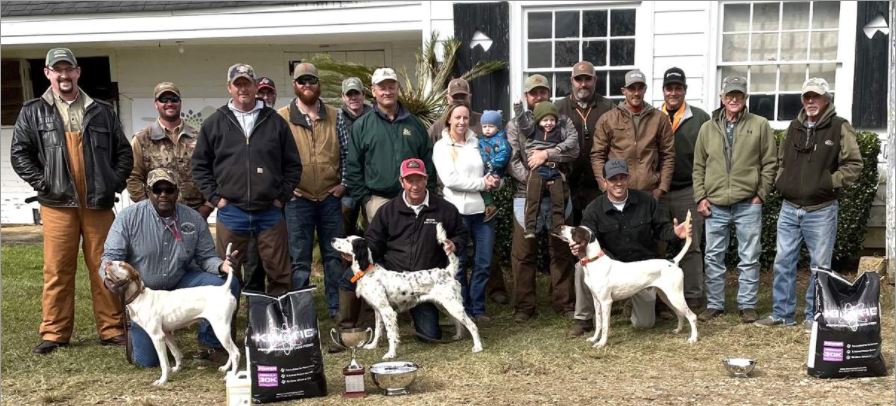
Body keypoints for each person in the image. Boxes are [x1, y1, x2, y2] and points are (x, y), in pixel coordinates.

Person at [11, 47, 133, 354]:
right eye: (57, 70)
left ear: (78, 72)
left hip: (97, 205)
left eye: (69, 69)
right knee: (57, 270)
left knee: (105, 267)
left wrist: (112, 184)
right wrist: (44, 183)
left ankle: (113, 328)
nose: (64, 76)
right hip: (57, 205)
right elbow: (19, 154)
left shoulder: (101, 109)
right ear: (48, 74)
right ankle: (54, 333)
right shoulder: (33, 110)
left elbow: (123, 153)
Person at [101, 169, 241, 366]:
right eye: (157, 190)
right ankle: (140, 331)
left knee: (225, 283)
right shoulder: (127, 218)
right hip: (145, 295)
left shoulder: (193, 219)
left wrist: (221, 266)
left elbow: (206, 257)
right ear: (147, 191)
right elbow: (110, 258)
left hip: (181, 282)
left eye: (169, 189)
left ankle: (211, 344)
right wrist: (109, 279)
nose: (163, 195)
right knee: (146, 362)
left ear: (178, 192)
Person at [754, 78, 863, 330]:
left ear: (827, 99)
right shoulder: (794, 126)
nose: (811, 101)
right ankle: (782, 314)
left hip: (821, 210)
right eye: (807, 97)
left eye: (816, 96)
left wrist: (828, 181)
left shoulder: (839, 127)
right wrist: (782, 180)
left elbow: (854, 165)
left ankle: (814, 316)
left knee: (820, 266)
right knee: (782, 262)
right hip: (790, 207)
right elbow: (781, 161)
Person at [191, 63, 302, 296]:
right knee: (226, 272)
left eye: (247, 84)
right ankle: (224, 330)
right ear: (229, 88)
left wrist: (281, 197)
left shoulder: (274, 121)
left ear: (254, 87)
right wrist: (215, 198)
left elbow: (293, 165)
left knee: (279, 273)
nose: (243, 89)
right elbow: (200, 166)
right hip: (232, 212)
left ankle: (277, 326)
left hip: (269, 212)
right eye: (237, 84)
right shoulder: (215, 123)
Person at [568, 160, 691, 330]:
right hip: (611, 266)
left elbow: (662, 229)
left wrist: (676, 233)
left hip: (641, 269)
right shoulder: (593, 209)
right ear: (604, 182)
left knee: (644, 324)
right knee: (581, 268)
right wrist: (579, 249)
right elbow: (586, 241)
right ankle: (583, 319)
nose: (618, 183)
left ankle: (630, 301)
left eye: (622, 178)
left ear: (628, 179)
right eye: (613, 179)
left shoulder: (647, 201)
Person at [693, 75, 777, 324]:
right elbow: (698, 166)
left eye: (738, 95)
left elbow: (770, 163)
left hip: (747, 203)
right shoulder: (708, 128)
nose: (733, 99)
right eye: (729, 95)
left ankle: (747, 305)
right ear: (721, 98)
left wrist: (761, 194)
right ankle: (715, 304)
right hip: (715, 204)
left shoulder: (760, 125)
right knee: (713, 257)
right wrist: (701, 197)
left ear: (745, 98)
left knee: (749, 256)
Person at [357, 158, 469, 340]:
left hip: (425, 284)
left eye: (419, 180)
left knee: (429, 336)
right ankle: (353, 326)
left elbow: (462, 235)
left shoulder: (445, 208)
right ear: (402, 182)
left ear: (426, 179)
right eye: (410, 180)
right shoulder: (387, 210)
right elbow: (373, 240)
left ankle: (417, 317)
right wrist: (360, 257)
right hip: (394, 279)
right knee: (349, 278)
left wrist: (454, 244)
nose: (415, 186)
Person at [506, 74, 579, 322]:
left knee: (561, 249)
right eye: (533, 93)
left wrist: (547, 155)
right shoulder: (516, 124)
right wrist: (533, 179)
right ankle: (524, 306)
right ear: (526, 97)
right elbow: (512, 159)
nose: (538, 96)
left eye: (542, 92)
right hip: (526, 195)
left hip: (558, 190)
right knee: (523, 251)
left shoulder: (562, 121)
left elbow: (574, 151)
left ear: (549, 94)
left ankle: (564, 302)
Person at [278, 62, 347, 319]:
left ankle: (336, 308)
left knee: (333, 256)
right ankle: (301, 314)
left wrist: (344, 185)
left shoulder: (335, 115)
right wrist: (286, 189)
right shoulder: (281, 117)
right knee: (299, 260)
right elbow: (273, 157)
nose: (307, 85)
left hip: (330, 197)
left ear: (319, 84)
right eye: (302, 81)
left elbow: (348, 153)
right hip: (298, 200)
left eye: (312, 81)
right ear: (295, 85)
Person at [433, 103, 501, 323]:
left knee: (483, 261)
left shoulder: (478, 142)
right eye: (457, 117)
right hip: (457, 212)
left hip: (483, 211)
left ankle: (478, 307)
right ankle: (462, 309)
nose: (462, 122)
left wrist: (494, 181)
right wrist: (482, 183)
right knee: (459, 264)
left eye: (465, 117)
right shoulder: (441, 146)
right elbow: (450, 181)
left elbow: (491, 169)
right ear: (449, 120)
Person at [345, 67, 434, 221]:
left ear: (398, 89)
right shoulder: (361, 126)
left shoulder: (415, 124)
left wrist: (428, 193)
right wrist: (365, 199)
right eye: (382, 88)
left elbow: (427, 161)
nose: (387, 92)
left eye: (391, 87)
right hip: (377, 201)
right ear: (373, 91)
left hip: (413, 199)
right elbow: (353, 166)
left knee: (413, 244)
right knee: (379, 245)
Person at [657, 68, 710, 312]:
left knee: (691, 243)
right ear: (663, 91)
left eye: (678, 88)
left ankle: (693, 295)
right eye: (670, 88)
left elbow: (711, 157)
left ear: (685, 90)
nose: (674, 92)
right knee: (659, 242)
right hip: (658, 191)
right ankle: (660, 298)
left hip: (688, 190)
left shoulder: (699, 118)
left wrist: (703, 193)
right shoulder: (653, 116)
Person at [127, 82, 210, 217]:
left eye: (174, 99)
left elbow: (212, 172)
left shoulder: (199, 137)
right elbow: (133, 177)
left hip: (194, 213)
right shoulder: (142, 139)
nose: (169, 103)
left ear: (180, 103)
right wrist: (148, 209)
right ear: (156, 104)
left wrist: (207, 206)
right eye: (163, 100)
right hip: (157, 215)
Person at [591, 69, 674, 200]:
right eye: (631, 88)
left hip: (649, 192)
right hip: (618, 192)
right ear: (623, 90)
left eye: (640, 88)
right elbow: (597, 155)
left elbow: (668, 155)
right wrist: (604, 185)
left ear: (645, 89)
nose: (636, 93)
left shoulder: (660, 119)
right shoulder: (608, 119)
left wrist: (662, 188)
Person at [554, 61, 614, 226]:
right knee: (568, 234)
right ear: (571, 80)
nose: (583, 84)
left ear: (595, 80)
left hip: (598, 184)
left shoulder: (608, 107)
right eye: (578, 79)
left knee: (597, 230)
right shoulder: (558, 107)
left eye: (587, 79)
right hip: (567, 184)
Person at [520, 102, 571, 239]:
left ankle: (558, 227)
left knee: (558, 200)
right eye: (545, 120)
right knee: (533, 198)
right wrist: (518, 108)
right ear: (538, 121)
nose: (549, 123)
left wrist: (556, 150)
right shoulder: (533, 131)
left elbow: (571, 145)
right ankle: (530, 228)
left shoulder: (560, 132)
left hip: (555, 170)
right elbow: (522, 122)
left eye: (552, 120)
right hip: (538, 169)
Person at [338, 77, 373, 236]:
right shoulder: (336, 118)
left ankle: (372, 259)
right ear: (343, 97)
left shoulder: (375, 116)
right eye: (349, 94)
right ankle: (345, 260)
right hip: (347, 184)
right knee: (345, 226)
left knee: (373, 225)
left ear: (363, 95)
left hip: (371, 183)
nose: (353, 98)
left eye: (356, 93)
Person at [478, 109, 511, 222]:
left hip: (495, 170)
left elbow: (504, 154)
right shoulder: (480, 140)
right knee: (482, 185)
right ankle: (489, 205)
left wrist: (492, 164)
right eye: (484, 126)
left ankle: (490, 205)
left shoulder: (501, 141)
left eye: (491, 126)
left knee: (489, 184)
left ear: (498, 127)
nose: (487, 129)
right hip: (484, 169)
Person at [428, 78, 483, 142]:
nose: (459, 101)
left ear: (469, 98)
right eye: (455, 97)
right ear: (447, 99)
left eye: (462, 97)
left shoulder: (483, 122)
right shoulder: (438, 127)